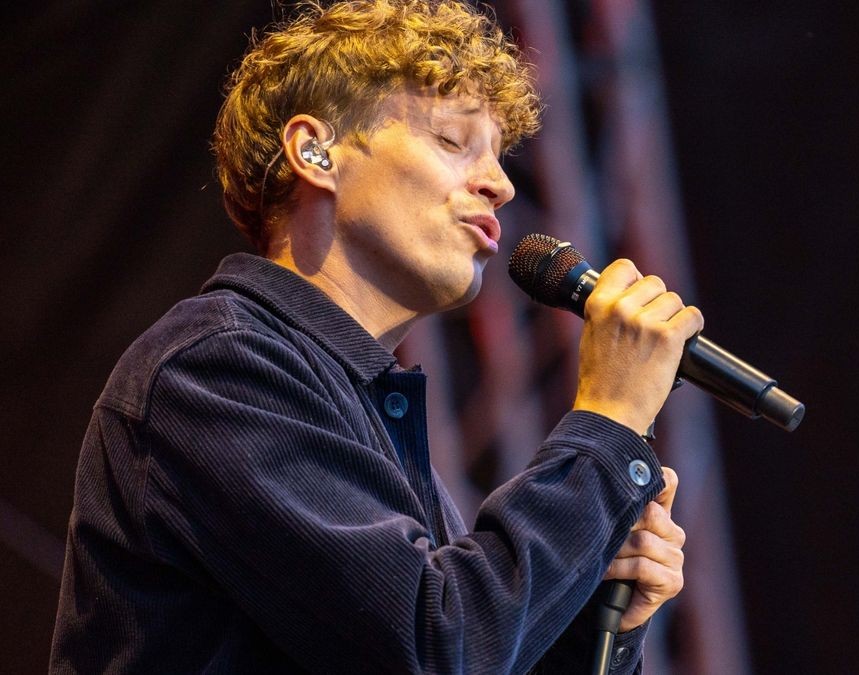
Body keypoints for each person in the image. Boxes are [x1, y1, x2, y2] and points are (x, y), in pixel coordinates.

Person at [49, 1, 703, 672]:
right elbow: (434, 646)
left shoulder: (366, 415)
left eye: (500, 157)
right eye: (453, 140)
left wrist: (596, 621)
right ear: (315, 151)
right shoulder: (216, 368)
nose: (501, 184)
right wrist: (608, 417)